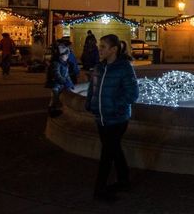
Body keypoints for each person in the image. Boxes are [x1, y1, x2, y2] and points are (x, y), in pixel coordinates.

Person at [85, 34, 139, 202]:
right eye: (99, 46)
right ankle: (124, 180)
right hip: (101, 117)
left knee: (107, 153)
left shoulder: (124, 68)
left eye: (103, 47)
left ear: (114, 49)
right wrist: (90, 104)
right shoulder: (98, 68)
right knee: (114, 149)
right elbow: (92, 88)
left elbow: (133, 93)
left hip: (117, 119)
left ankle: (99, 190)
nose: (99, 49)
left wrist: (116, 106)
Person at [45, 42, 74, 117]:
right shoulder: (56, 64)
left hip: (61, 85)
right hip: (56, 85)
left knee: (59, 98)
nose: (67, 56)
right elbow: (57, 75)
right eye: (66, 55)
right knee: (55, 98)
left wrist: (70, 83)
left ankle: (57, 110)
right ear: (61, 56)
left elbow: (67, 75)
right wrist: (64, 82)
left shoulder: (65, 64)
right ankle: (52, 110)